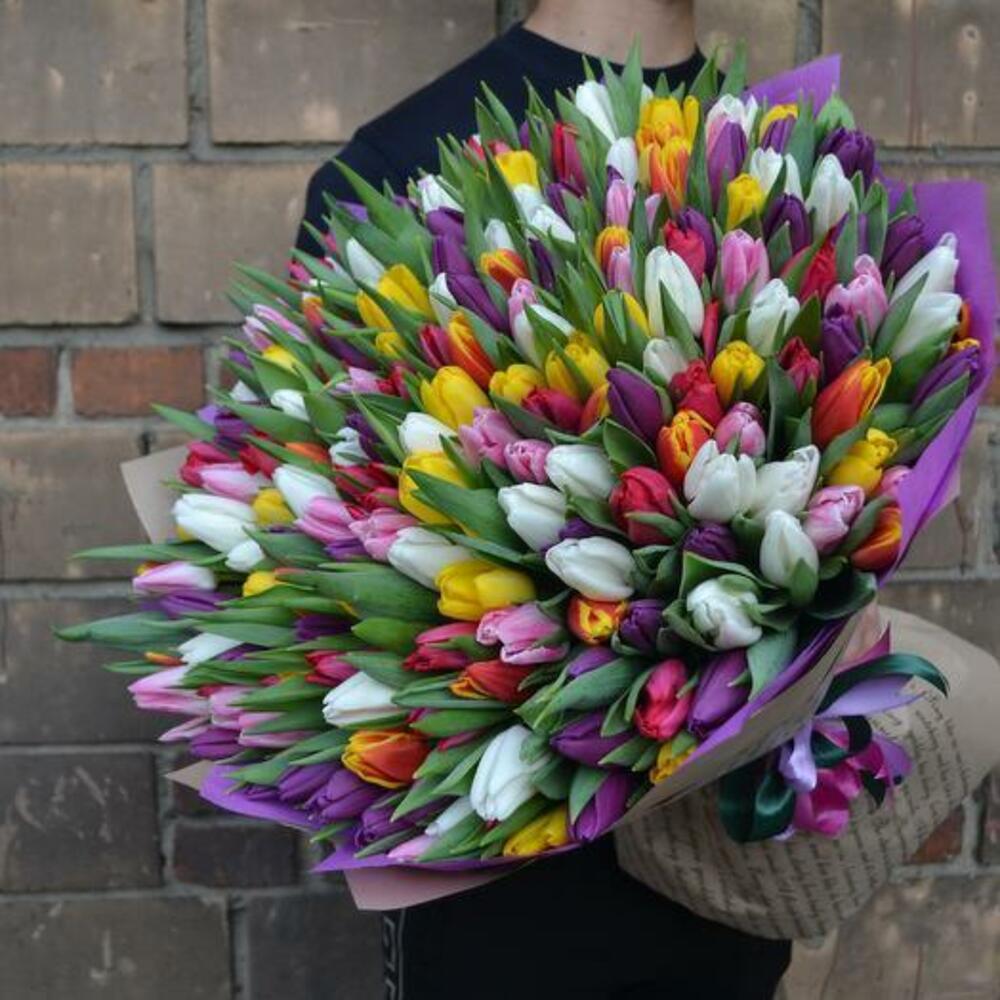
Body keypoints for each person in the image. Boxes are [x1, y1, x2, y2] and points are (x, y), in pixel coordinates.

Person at [294, 2, 793, 996]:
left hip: (731, 891)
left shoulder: (786, 162)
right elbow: (327, 557)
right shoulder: (395, 171)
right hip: (492, 893)